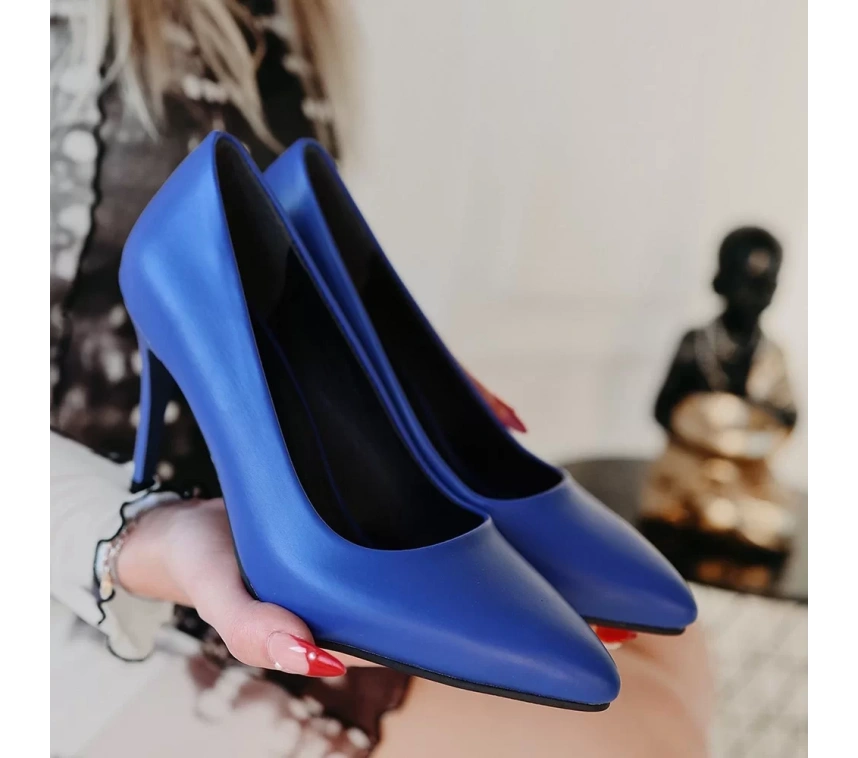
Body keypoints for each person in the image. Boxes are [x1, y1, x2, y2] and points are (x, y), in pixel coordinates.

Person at [49, 2, 713, 755]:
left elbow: (284, 259)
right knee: (634, 738)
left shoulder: (300, 15)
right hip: (64, 564)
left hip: (244, 476)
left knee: (673, 655)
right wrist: (135, 535)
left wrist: (385, 371)